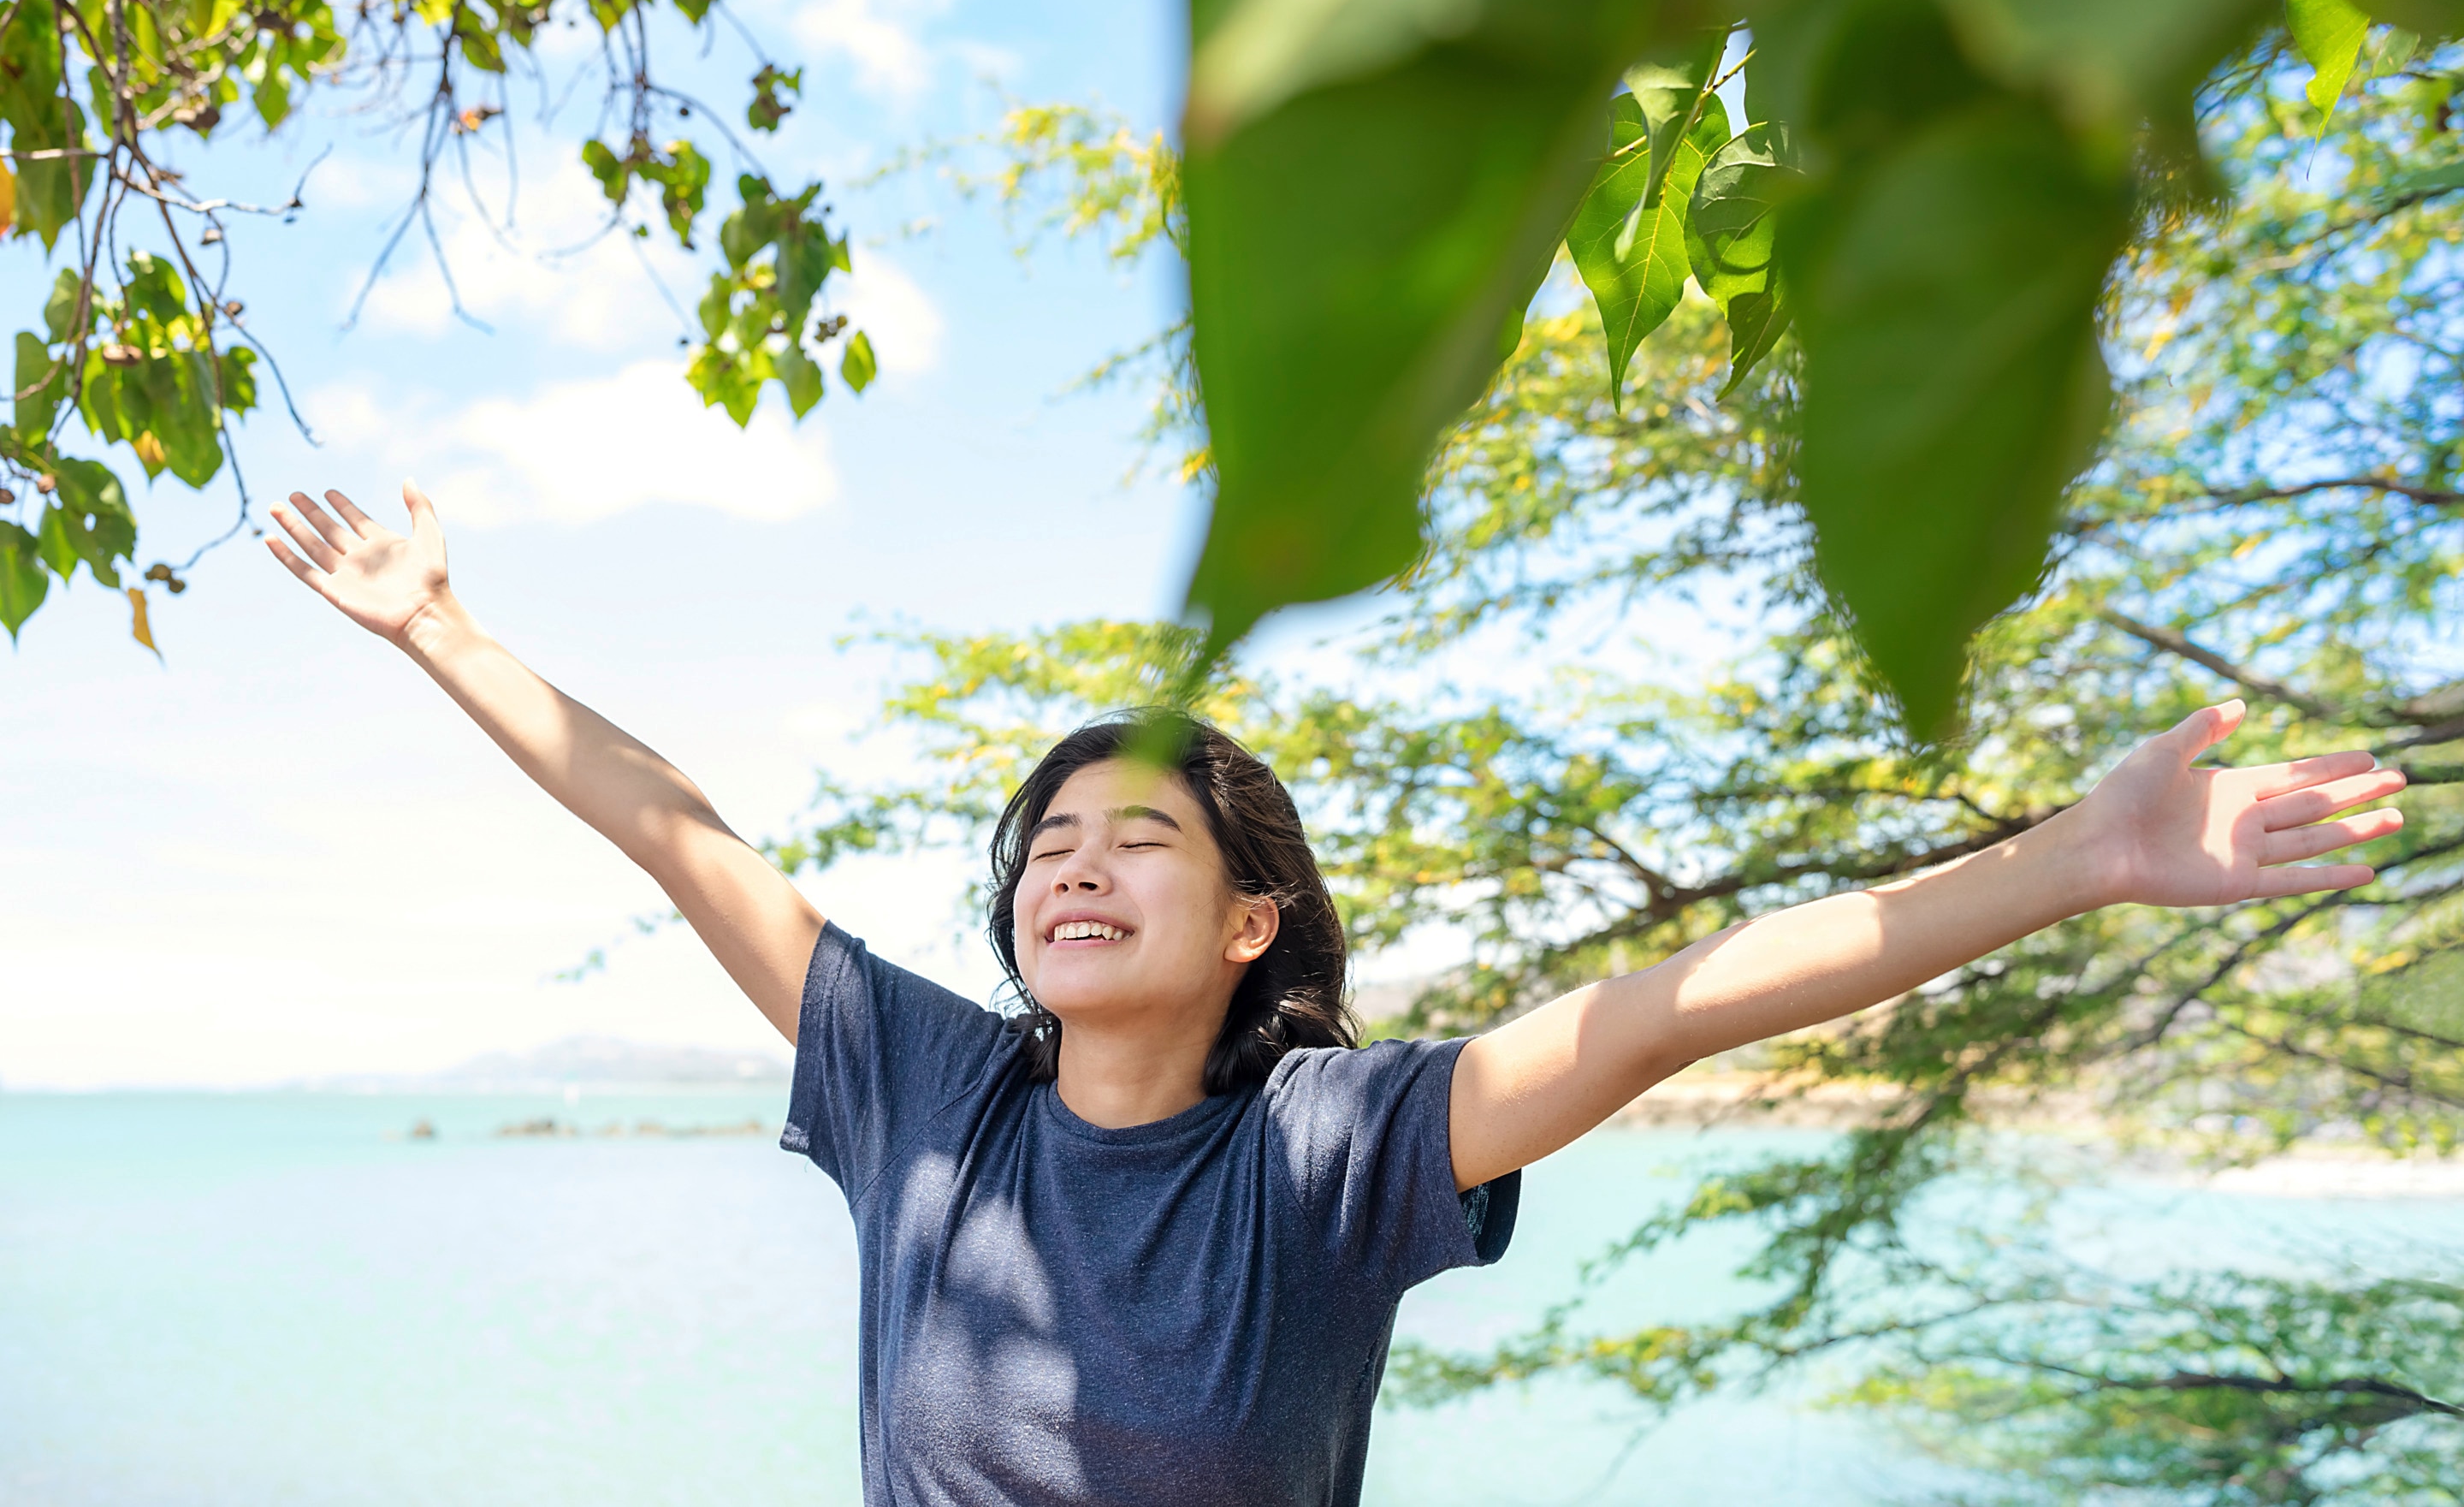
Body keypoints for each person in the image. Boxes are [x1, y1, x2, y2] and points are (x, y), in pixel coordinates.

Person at [268, 481, 2408, 1507]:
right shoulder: (929, 1088)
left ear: (1250, 924)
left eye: (1140, 840)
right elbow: (677, 826)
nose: (1073, 866)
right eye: (1049, 843)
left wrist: (2085, 857)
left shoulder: (1334, 1151)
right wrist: (440, 622)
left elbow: (1676, 1007)